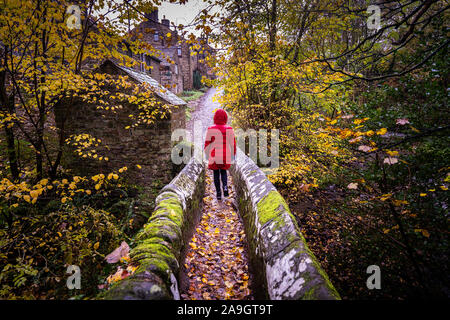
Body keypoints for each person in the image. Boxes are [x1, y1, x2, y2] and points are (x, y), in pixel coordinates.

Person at [204, 109, 236, 201]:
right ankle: (225, 187)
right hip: (225, 155)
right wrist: (233, 154)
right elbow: (232, 144)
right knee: (223, 172)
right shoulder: (229, 129)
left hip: (214, 155)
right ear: (225, 118)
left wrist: (206, 154)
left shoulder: (211, 129)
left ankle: (218, 193)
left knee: (216, 173)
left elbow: (207, 143)